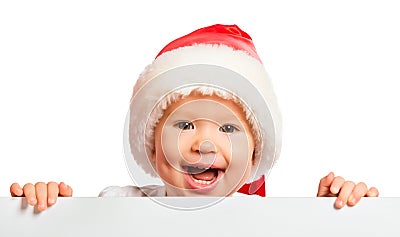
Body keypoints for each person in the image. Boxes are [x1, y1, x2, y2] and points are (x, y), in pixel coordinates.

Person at [10, 24, 379, 211]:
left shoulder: (266, 224)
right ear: (153, 148)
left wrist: (327, 219)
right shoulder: (121, 206)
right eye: (185, 124)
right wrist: (48, 212)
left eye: (229, 128)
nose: (204, 144)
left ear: (254, 160)